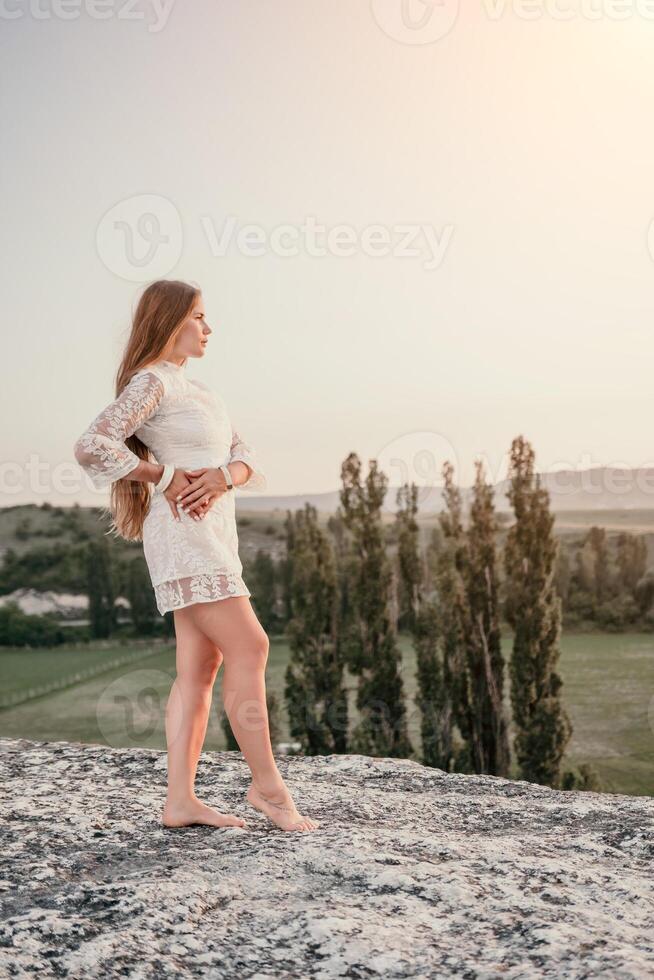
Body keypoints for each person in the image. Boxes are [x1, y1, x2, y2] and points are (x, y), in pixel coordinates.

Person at [73, 279, 319, 833]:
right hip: (184, 536)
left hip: (213, 539)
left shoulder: (198, 390)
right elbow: (93, 444)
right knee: (250, 644)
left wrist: (222, 476)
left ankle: (180, 801)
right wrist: (163, 476)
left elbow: (246, 455)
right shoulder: (153, 382)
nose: (209, 328)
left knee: (199, 667)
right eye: (199, 317)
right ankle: (268, 788)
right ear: (169, 322)